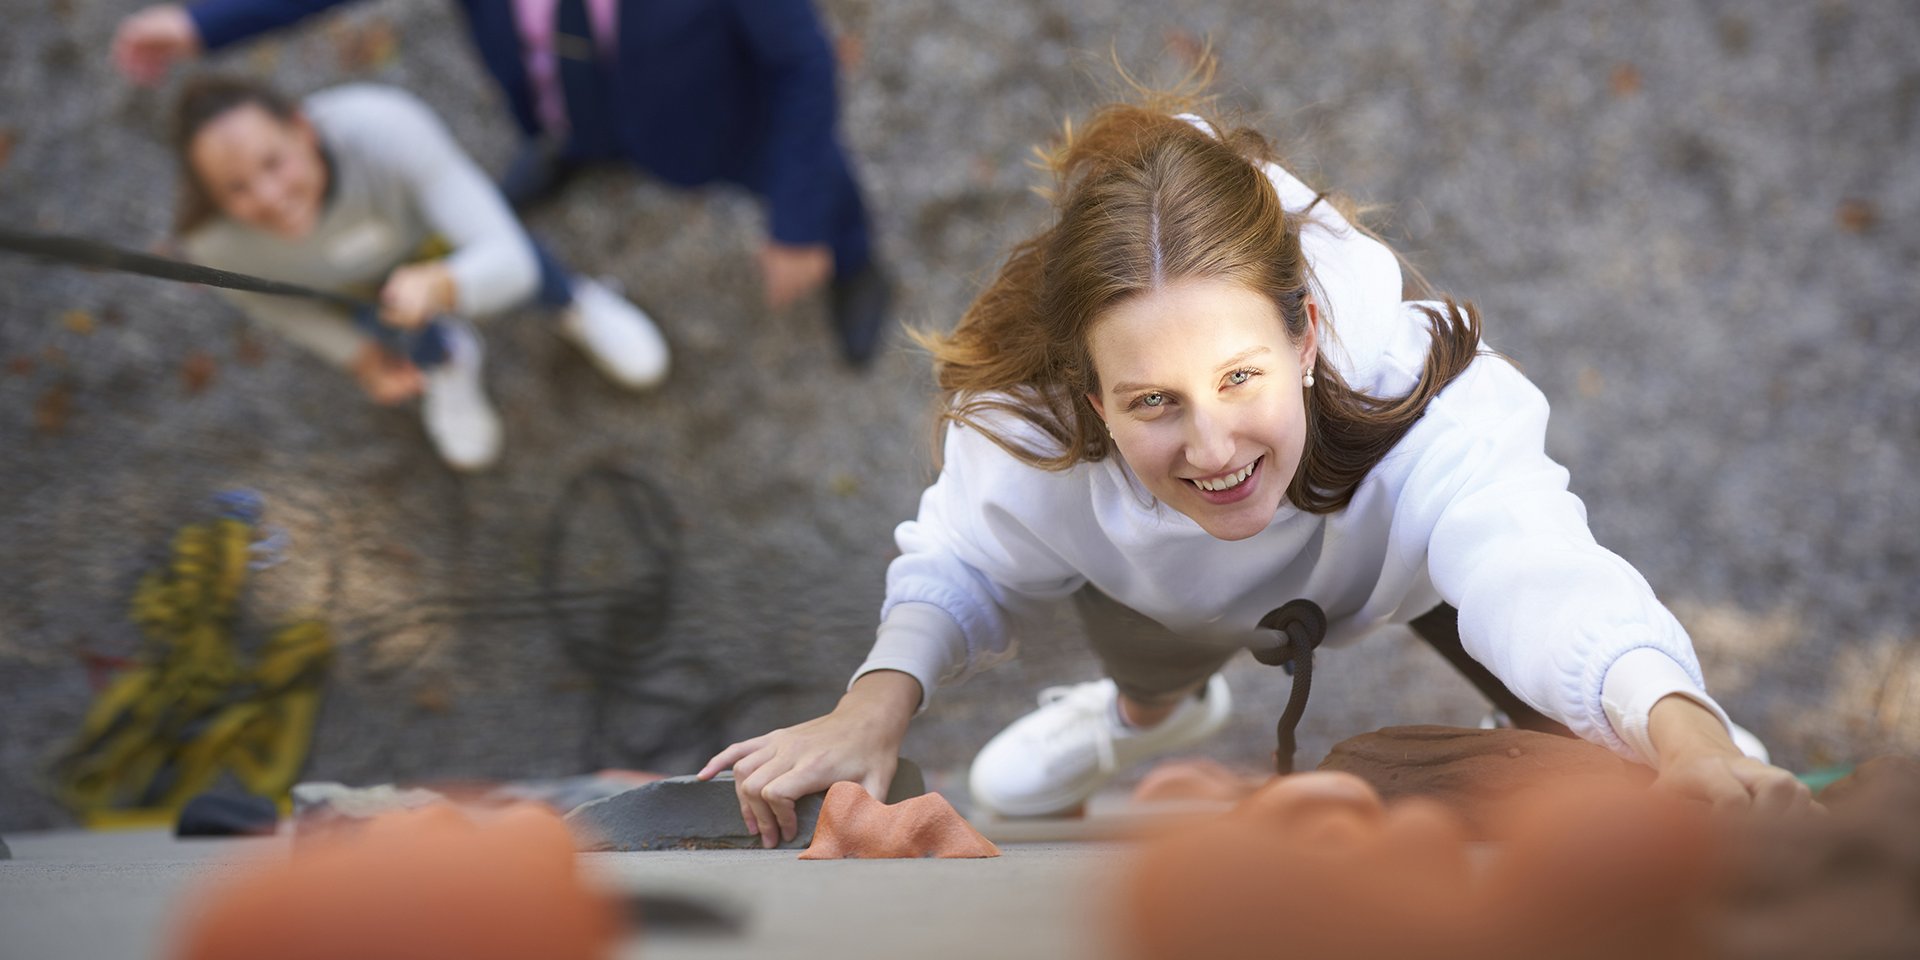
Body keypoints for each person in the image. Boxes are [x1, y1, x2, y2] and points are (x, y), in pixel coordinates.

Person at [698, 88, 1813, 847]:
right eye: (1152, 403)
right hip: (1163, 597)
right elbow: (959, 561)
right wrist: (873, 709)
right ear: (1091, 397)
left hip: (1412, 573)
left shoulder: (1409, 378)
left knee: (1630, 760)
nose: (1214, 444)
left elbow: (1536, 562)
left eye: (1241, 378)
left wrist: (1682, 729)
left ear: (1309, 334)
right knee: (1156, 619)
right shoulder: (1034, 433)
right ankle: (1144, 714)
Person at [115, 0, 894, 367]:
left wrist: (795, 224)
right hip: (559, 95)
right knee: (574, 135)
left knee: (818, 187)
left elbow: (802, 68)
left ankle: (856, 265)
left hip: (715, 121)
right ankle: (577, 152)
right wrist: (200, 26)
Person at [173, 75, 669, 469]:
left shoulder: (387, 127)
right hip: (364, 295)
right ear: (213, 198)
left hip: (439, 245)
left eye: (273, 162)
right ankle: (447, 361)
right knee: (390, 330)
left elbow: (506, 257)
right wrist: (361, 357)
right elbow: (278, 307)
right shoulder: (215, 244)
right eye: (236, 189)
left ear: (302, 129)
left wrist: (445, 283)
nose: (270, 198)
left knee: (522, 265)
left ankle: (573, 303)